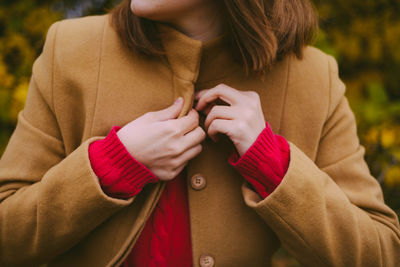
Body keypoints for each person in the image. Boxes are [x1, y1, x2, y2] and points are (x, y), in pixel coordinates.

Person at [0, 0, 399, 266]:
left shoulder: (312, 78)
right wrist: (112, 165)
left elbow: (382, 250)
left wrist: (272, 163)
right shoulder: (71, 49)